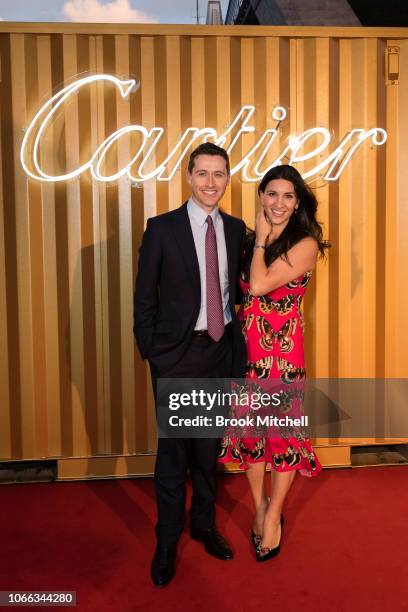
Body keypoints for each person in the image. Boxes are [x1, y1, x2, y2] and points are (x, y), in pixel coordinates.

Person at [134, 143, 246, 586]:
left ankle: (203, 525)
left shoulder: (235, 230)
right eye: (202, 173)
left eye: (219, 174)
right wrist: (154, 352)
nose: (210, 183)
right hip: (177, 357)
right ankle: (166, 542)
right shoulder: (162, 229)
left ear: (227, 178)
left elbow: (237, 290)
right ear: (188, 175)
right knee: (173, 454)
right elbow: (145, 299)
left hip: (219, 352)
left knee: (207, 448)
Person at [218, 164, 329, 562]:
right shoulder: (249, 241)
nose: (278, 203)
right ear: (261, 196)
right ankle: (260, 505)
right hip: (247, 351)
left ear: (297, 202)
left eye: (287, 196)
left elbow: (262, 285)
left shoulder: (305, 243)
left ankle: (275, 514)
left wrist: (262, 242)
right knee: (250, 434)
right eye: (271, 194)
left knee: (280, 436)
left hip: (283, 353)